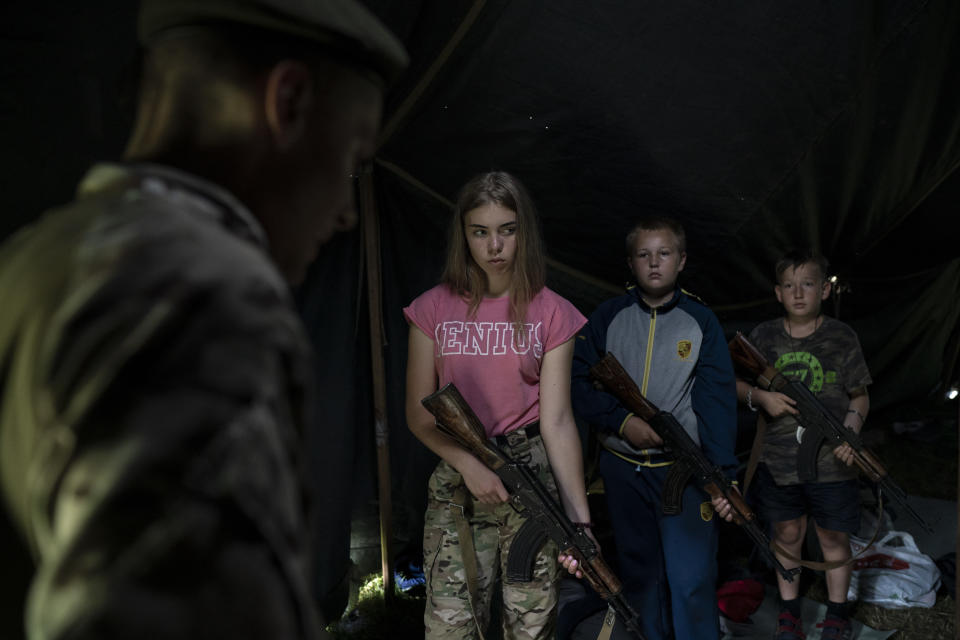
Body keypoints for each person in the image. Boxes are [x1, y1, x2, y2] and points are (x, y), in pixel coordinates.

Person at [0, 1, 407, 639]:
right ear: (289, 102)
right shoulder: (204, 290)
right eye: (350, 160)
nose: (345, 213)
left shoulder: (31, 261)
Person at [404, 171, 593, 639]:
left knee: (531, 625)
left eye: (507, 230)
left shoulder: (552, 312)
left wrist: (580, 521)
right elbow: (418, 414)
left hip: (529, 474)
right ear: (463, 234)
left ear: (523, 232)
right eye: (480, 231)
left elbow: (558, 421)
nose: (495, 246)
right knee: (451, 625)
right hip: (458, 480)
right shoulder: (431, 309)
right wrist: (468, 465)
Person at [570, 216, 739, 640]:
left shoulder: (700, 322)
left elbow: (717, 404)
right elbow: (574, 382)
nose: (654, 263)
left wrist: (723, 477)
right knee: (641, 574)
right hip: (623, 469)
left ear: (681, 261)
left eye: (664, 253)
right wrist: (623, 422)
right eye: (644, 255)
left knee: (691, 578)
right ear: (631, 263)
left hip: (684, 473)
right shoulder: (608, 317)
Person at [735, 250, 871, 640]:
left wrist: (850, 430)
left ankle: (837, 615)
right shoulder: (762, 337)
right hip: (778, 463)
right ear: (778, 293)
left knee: (832, 538)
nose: (798, 294)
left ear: (824, 290)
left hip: (832, 463)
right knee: (787, 535)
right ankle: (789, 614)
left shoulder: (842, 337)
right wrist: (761, 399)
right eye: (789, 286)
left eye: (807, 284)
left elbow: (859, 396)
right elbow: (733, 383)